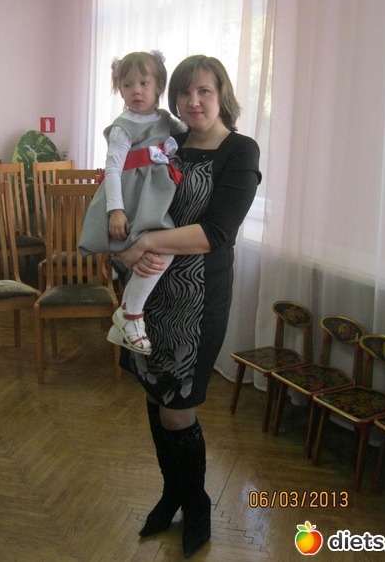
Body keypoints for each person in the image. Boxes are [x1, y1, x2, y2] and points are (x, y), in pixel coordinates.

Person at [115, 54, 261, 558]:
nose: (192, 101)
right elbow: (134, 199)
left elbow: (215, 232)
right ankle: (171, 493)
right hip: (147, 295)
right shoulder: (168, 142)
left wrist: (146, 242)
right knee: (155, 397)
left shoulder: (240, 150)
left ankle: (196, 503)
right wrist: (128, 246)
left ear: (222, 95)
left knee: (179, 410)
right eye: (183, 92)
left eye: (203, 91)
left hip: (196, 305)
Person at [79, 50, 187, 355]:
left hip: (153, 197)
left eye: (143, 83)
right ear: (119, 89)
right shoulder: (123, 125)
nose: (136, 91)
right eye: (127, 85)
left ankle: (127, 316)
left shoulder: (165, 119)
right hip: (131, 199)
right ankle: (131, 315)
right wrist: (116, 210)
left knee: (156, 252)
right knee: (161, 250)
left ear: (159, 86)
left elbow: (188, 134)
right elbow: (112, 169)